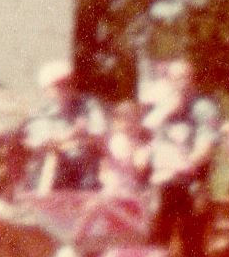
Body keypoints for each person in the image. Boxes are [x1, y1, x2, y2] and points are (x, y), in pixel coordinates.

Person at [24, 58, 108, 191]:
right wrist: (74, 134)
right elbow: (44, 142)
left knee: (92, 171)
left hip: (84, 172)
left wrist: (67, 138)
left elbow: (99, 133)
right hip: (52, 174)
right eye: (60, 84)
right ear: (47, 90)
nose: (67, 87)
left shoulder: (89, 105)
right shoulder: (40, 113)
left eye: (69, 82)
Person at [145, 58, 221, 187]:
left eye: (186, 77)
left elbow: (204, 151)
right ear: (168, 81)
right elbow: (144, 137)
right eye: (176, 78)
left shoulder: (204, 108)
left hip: (190, 177)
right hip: (160, 174)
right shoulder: (161, 107)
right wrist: (166, 111)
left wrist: (176, 170)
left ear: (193, 79)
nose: (182, 83)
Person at [99, 100, 152, 196]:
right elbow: (120, 158)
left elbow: (140, 167)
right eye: (125, 120)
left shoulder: (142, 146)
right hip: (114, 186)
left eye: (134, 121)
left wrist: (142, 154)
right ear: (116, 123)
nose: (129, 125)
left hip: (130, 187)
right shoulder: (116, 141)